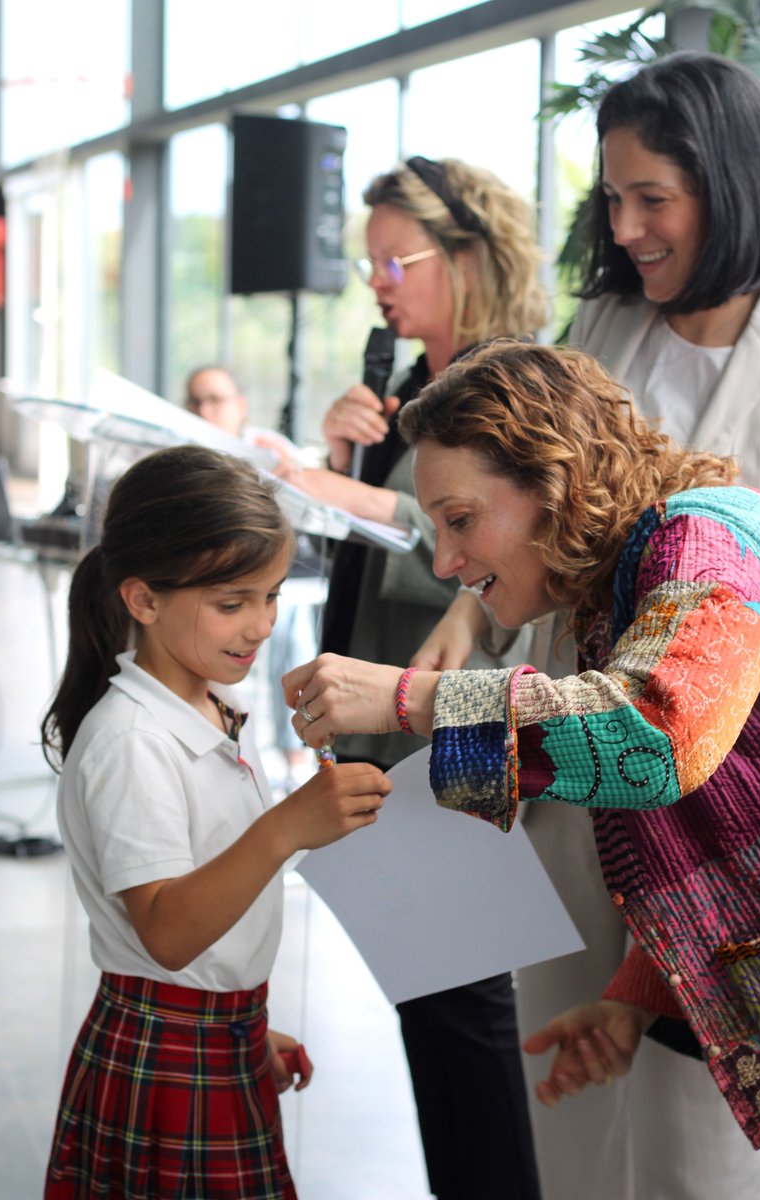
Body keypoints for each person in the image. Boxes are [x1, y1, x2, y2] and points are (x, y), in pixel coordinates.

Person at [409, 51, 760, 1199]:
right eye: (609, 197)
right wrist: (461, 640)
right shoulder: (604, 320)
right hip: (574, 760)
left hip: (716, 798)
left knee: (689, 1132)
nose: (623, 227)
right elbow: (520, 527)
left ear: (728, 187)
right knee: (565, 1083)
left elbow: (672, 715)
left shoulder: (727, 456)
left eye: (650, 197)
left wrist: (420, 707)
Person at [283, 339, 760, 1166]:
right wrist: (640, 995)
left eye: (461, 521)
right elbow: (716, 818)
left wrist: (412, 702)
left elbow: (657, 740)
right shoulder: (623, 583)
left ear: (555, 482)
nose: (445, 562)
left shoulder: (705, 547)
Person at [286, 155, 548, 1200]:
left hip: (449, 735)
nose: (378, 282)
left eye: (395, 259)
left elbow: (494, 557)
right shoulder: (401, 385)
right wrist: (334, 468)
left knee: (466, 1011)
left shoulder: (508, 382)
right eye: (369, 262)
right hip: (376, 734)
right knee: (426, 1010)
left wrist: (359, 501)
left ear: (466, 257)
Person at [40, 445, 391, 1200]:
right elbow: (166, 931)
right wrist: (287, 827)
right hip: (165, 1051)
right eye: (232, 603)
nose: (261, 624)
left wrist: (242, 1025)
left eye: (270, 596)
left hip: (211, 1035)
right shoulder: (132, 741)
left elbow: (207, 909)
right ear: (142, 599)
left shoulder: (204, 707)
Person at [185, 364, 322, 791]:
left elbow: (309, 513)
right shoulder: (182, 456)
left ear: (240, 406)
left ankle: (297, 753)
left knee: (287, 627)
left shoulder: (270, 449)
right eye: (196, 401)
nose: (206, 410)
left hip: (271, 573)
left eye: (216, 400)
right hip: (209, 580)